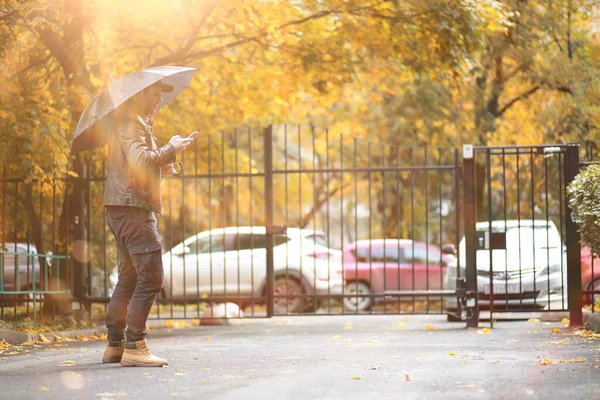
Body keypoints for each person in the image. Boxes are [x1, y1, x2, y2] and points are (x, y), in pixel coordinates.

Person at [101, 81, 193, 367]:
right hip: (134, 210)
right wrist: (170, 147)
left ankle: (115, 344)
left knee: (129, 277)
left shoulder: (132, 122)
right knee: (152, 278)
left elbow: (138, 164)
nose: (159, 98)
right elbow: (141, 160)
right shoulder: (131, 122)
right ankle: (134, 345)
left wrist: (165, 162)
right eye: (154, 93)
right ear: (139, 92)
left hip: (123, 207)